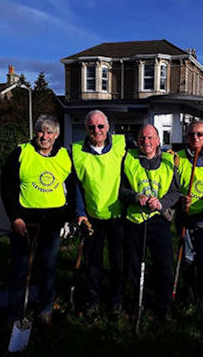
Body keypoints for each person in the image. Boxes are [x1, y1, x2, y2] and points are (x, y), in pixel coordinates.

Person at [0, 114, 76, 329]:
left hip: (52, 222)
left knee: (48, 269)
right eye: (41, 131)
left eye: (50, 132)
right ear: (36, 132)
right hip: (25, 222)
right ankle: (14, 314)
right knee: (20, 269)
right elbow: (7, 187)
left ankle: (45, 310)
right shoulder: (21, 153)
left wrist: (67, 216)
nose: (45, 136)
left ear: (57, 134)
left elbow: (72, 188)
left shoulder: (64, 155)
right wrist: (14, 217)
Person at [120, 124, 181, 319]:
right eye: (142, 138)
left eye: (150, 138)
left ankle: (164, 305)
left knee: (163, 263)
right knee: (134, 265)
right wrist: (135, 196)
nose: (146, 142)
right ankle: (139, 302)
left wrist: (161, 203)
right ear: (137, 141)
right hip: (135, 220)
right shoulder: (127, 159)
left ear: (158, 141)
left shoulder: (169, 161)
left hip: (158, 220)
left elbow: (175, 192)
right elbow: (119, 189)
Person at [72, 110, 126, 318]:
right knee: (92, 262)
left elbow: (144, 153)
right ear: (86, 129)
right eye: (92, 127)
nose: (97, 130)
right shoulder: (76, 151)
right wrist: (80, 212)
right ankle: (93, 300)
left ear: (108, 127)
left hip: (117, 216)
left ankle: (116, 301)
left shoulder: (122, 145)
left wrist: (165, 152)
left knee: (117, 262)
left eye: (100, 126)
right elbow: (76, 184)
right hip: (91, 216)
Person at [175, 121, 203, 302]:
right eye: (191, 134)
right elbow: (170, 187)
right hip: (185, 217)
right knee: (187, 258)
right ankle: (189, 290)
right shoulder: (178, 158)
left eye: (199, 134)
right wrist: (180, 198)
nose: (195, 138)